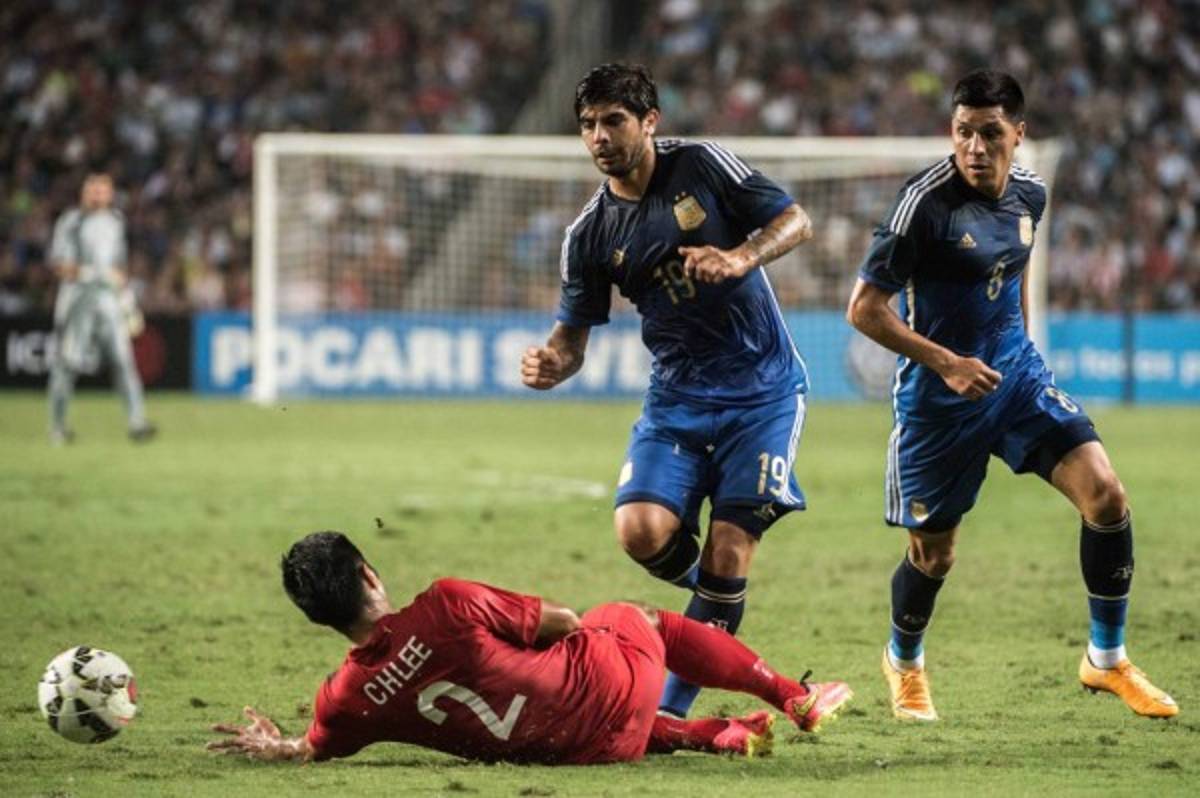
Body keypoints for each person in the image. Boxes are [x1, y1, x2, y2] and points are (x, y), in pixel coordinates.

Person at [846, 69, 1178, 721]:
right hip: (941, 401)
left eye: (989, 133)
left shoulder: (1032, 194)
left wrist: (1021, 347)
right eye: (963, 131)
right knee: (933, 555)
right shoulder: (924, 205)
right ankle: (904, 659)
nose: (974, 146)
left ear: (1018, 135)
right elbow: (865, 310)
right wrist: (947, 363)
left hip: (1015, 378)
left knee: (1106, 496)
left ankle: (1105, 660)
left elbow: (1014, 268)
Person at [520, 64, 820, 721]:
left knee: (731, 547)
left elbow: (797, 220)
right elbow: (572, 343)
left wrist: (741, 256)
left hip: (761, 391)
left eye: (613, 121)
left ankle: (672, 708)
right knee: (639, 531)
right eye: (588, 126)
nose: (599, 136)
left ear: (649, 121)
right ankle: (715, 601)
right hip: (677, 399)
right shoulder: (589, 235)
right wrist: (552, 363)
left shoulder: (705, 166)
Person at [206, 532, 852, 764]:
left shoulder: (343, 700)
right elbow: (562, 621)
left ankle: (716, 734)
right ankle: (794, 698)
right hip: (609, 697)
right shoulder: (447, 602)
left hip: (583, 754)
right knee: (624, 616)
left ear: (318, 618)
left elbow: (312, 746)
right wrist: (588, 639)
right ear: (370, 575)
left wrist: (278, 744)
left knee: (545, 709)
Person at [47, 172, 155, 444]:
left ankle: (137, 422)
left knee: (123, 360)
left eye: (102, 190)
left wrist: (125, 298)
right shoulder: (71, 221)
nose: (97, 195)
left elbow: (119, 267)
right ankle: (58, 427)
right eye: (93, 189)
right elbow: (59, 265)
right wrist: (93, 274)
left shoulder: (116, 222)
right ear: (84, 192)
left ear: (110, 194)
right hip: (78, 299)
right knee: (68, 363)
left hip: (108, 300)